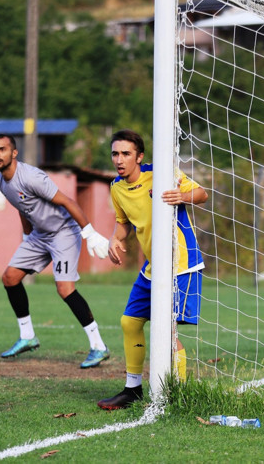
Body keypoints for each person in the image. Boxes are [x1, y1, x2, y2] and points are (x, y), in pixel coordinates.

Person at [97, 129, 208, 410]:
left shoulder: (160, 173)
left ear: (139, 156)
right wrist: (115, 239)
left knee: (167, 331)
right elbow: (123, 223)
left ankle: (179, 396)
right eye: (115, 154)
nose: (119, 160)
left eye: (126, 154)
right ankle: (132, 390)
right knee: (130, 322)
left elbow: (202, 194)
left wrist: (180, 195)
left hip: (181, 263)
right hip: (153, 266)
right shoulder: (116, 187)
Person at [0, 134, 111, 369]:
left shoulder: (31, 177)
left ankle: (99, 346)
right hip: (39, 235)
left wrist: (90, 233)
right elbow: (21, 207)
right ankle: (27, 336)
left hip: (63, 232)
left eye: (2, 149)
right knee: (10, 278)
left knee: (65, 289)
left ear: (14, 153)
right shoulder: (1, 182)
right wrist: (27, 237)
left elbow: (68, 202)